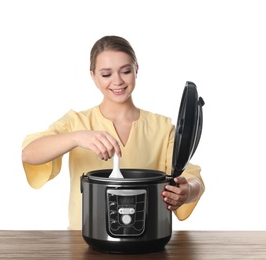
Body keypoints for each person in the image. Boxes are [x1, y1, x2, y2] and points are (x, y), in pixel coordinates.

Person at [21, 35, 205, 230]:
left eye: (125, 71)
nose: (117, 81)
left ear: (136, 70)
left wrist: (187, 190)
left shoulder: (162, 127)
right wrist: (76, 137)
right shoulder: (77, 122)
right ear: (93, 76)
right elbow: (29, 153)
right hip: (85, 238)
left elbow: (192, 177)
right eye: (106, 74)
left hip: (148, 236)